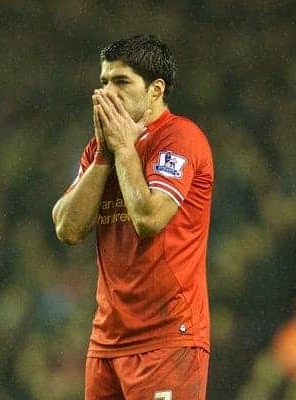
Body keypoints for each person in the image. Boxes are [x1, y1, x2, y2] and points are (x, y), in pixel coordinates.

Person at [52, 35, 213, 400]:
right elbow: (67, 228)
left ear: (155, 90)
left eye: (121, 82)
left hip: (168, 337)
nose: (108, 92)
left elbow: (149, 218)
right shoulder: (99, 148)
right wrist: (104, 157)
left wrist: (124, 149)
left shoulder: (181, 138)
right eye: (104, 81)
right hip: (107, 342)